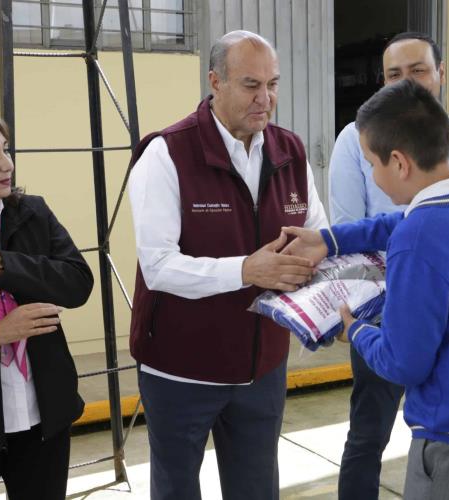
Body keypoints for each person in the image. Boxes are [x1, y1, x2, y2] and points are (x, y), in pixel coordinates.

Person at [283, 79, 449, 499]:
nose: (372, 175)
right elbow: (398, 223)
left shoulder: (418, 241)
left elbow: (405, 364)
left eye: (371, 163)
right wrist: (330, 240)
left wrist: (357, 331)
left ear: (399, 163)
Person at [127, 30, 328, 500]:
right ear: (215, 82)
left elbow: (316, 234)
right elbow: (157, 266)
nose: (266, 99)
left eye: (273, 84)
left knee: (257, 489)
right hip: (181, 369)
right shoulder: (166, 153)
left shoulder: (291, 152)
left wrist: (321, 265)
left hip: (263, 366)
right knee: (177, 489)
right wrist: (245, 271)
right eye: (251, 85)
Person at [327, 31, 449, 499]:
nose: (405, 83)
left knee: (439, 442)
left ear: (441, 75)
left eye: (418, 71)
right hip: (384, 311)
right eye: (393, 75)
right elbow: (357, 230)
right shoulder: (355, 141)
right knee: (369, 435)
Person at [0, 106, 94, 500]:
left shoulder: (32, 213)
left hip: (44, 416)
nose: (7, 164)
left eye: (6, 150)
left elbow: (78, 283)